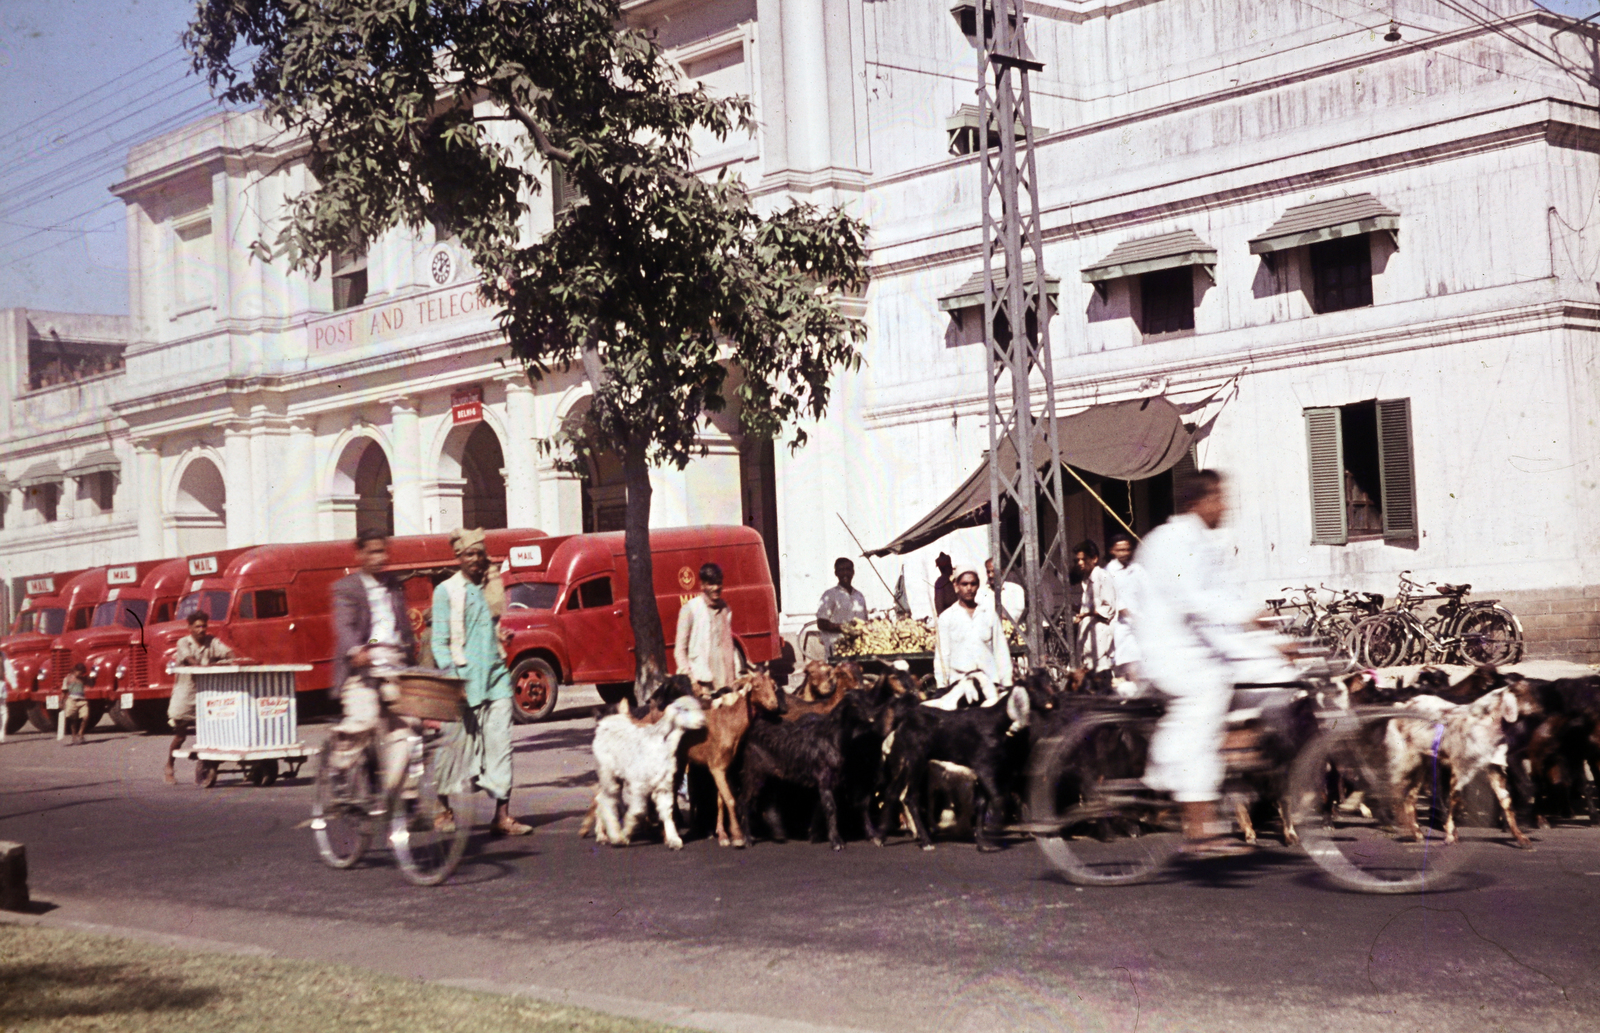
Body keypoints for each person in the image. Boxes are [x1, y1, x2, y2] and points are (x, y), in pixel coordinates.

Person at [1133, 470, 1295, 858]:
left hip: (1203, 644)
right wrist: (1248, 619)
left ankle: (1233, 748)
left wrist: (1273, 641)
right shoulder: (1169, 541)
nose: (1225, 506)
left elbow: (1227, 596)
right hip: (1170, 649)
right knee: (1207, 698)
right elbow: (1192, 600)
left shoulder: (1208, 543)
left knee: (1282, 679)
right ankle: (1197, 826)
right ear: (1196, 503)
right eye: (1218, 498)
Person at [433, 528, 531, 837]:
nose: (476, 560)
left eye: (480, 554)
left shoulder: (490, 589)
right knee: (454, 748)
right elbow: (439, 642)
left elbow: (487, 628)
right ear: (459, 557)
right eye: (470, 554)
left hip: (496, 679)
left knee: (501, 746)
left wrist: (499, 636)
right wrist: (453, 678)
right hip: (463, 682)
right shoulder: (446, 592)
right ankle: (443, 808)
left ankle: (502, 816)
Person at [330, 528, 418, 796]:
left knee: (407, 728)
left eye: (383, 551)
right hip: (361, 669)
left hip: (395, 667)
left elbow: (403, 627)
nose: (380, 557)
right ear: (360, 555)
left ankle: (397, 795)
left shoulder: (394, 585)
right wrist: (358, 650)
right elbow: (344, 626)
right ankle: (338, 766)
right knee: (364, 719)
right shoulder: (347, 588)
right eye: (374, 552)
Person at [164, 610, 242, 783]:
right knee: (180, 735)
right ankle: (169, 765)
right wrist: (203, 666)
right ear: (190, 628)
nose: (201, 630)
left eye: (204, 626)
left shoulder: (211, 641)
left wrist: (233, 659)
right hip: (186, 694)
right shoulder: (183, 642)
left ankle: (207, 765)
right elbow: (190, 660)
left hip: (206, 694)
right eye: (197, 626)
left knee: (211, 733)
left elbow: (228, 652)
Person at [927, 565, 1013, 710]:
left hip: (989, 686)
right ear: (956, 586)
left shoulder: (988, 614)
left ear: (978, 586)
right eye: (964, 584)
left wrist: (1007, 683)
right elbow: (942, 655)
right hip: (959, 686)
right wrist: (942, 686)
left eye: (973, 584)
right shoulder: (947, 618)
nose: (969, 588)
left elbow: (1001, 651)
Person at [674, 562, 740, 697]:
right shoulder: (690, 610)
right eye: (711, 584)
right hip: (703, 684)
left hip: (727, 682)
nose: (716, 588)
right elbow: (680, 650)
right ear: (702, 585)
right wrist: (691, 680)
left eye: (718, 583)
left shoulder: (726, 609)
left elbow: (729, 646)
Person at [1103, 534, 1144, 695]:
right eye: (1120, 550)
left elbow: (1147, 591)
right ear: (1112, 551)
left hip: (1140, 623)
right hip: (1120, 626)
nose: (1124, 553)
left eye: (1127, 549)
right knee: (1127, 664)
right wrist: (1131, 617)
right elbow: (1116, 601)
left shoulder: (1137, 569)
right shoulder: (1108, 572)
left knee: (1140, 664)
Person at [1072, 541, 1114, 675]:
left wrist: (1086, 614)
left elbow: (1108, 608)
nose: (1080, 563)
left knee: (1101, 672)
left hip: (1100, 634)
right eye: (1077, 560)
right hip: (1087, 635)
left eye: (1083, 559)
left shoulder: (1103, 577)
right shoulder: (1086, 579)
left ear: (1094, 559)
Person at [816, 557, 869, 657]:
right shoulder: (830, 595)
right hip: (837, 649)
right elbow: (821, 623)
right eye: (841, 570)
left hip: (859, 648)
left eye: (848, 569)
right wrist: (843, 627)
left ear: (853, 572)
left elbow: (864, 622)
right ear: (836, 573)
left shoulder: (859, 596)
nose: (845, 573)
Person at [60, 662, 90, 745]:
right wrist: (61, 701)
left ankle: (80, 733)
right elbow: (64, 691)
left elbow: (91, 684)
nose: (80, 674)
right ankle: (74, 736)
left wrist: (93, 677)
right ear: (75, 670)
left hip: (82, 700)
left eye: (82, 672)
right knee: (72, 719)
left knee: (85, 716)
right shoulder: (68, 678)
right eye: (79, 672)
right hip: (71, 699)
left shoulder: (83, 679)